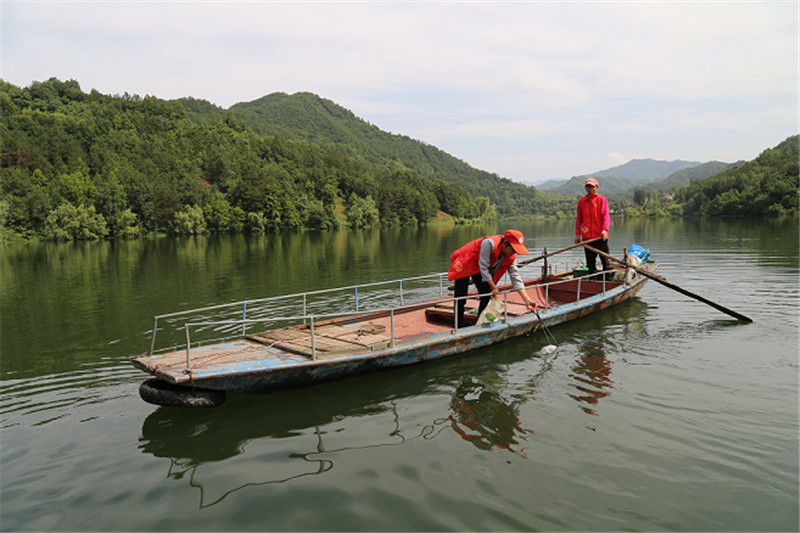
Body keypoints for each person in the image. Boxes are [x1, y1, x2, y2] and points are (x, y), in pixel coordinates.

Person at [448, 229, 538, 328]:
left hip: (480, 267)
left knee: (486, 294)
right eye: (513, 250)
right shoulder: (489, 243)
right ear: (505, 244)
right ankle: (458, 325)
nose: (514, 253)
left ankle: (479, 324)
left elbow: (515, 277)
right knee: (460, 296)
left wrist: (527, 300)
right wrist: (493, 286)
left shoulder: (511, 256)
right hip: (467, 261)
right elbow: (483, 267)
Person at [575, 177, 611, 278]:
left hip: (600, 236)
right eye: (587, 186)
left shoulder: (601, 199)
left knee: (605, 261)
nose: (589, 189)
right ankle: (593, 282)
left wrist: (604, 230)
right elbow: (579, 219)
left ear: (596, 187)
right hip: (587, 238)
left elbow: (606, 216)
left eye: (591, 186)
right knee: (590, 263)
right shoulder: (582, 201)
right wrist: (578, 234)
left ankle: (608, 281)